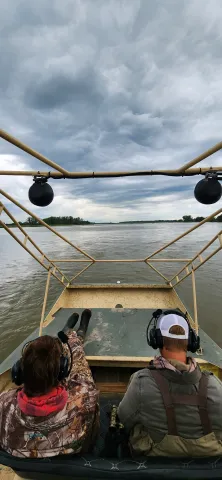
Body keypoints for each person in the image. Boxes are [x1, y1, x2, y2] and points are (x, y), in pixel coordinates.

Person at [118, 309, 222, 457]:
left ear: (157, 340)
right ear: (191, 342)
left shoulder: (141, 382)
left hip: (157, 456)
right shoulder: (215, 386)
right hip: (208, 459)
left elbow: (124, 419)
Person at [0, 309, 99, 458]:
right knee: (78, 363)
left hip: (28, 471)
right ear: (62, 372)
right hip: (71, 460)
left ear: (19, 373)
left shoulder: (3, 403)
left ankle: (65, 333)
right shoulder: (84, 399)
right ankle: (77, 336)